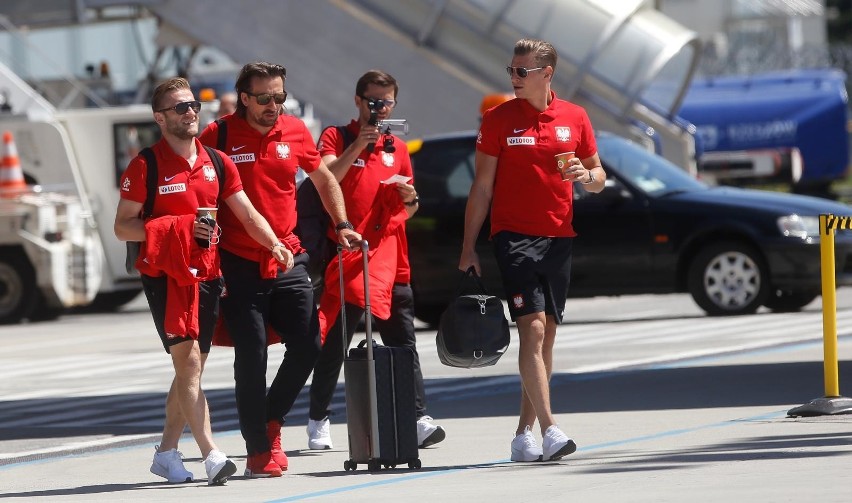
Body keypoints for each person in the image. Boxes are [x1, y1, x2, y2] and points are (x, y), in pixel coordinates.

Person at [114, 77, 293, 485]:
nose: (190, 112)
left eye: (193, 104)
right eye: (179, 107)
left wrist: (274, 245)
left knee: (190, 368)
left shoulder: (216, 161)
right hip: (164, 275)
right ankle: (211, 454)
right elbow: (123, 227)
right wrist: (177, 226)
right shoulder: (147, 164)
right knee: (190, 362)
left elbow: (246, 214)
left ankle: (165, 453)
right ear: (160, 118)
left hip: (208, 273)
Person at [198, 62, 360, 478]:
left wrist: (341, 224)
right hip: (237, 261)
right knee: (251, 356)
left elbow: (324, 179)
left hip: (288, 255)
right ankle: (257, 449)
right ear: (245, 98)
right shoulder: (220, 135)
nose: (274, 106)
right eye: (265, 98)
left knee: (309, 343)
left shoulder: (294, 131)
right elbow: (198, 184)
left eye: (280, 97)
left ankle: (271, 422)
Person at [458, 39, 606, 462]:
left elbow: (599, 176)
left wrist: (586, 175)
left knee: (547, 338)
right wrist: (468, 246)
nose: (514, 78)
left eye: (522, 71)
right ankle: (551, 428)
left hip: (560, 236)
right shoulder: (498, 119)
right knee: (533, 329)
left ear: (547, 73)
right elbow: (481, 187)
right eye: (512, 70)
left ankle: (523, 433)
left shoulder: (574, 117)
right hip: (513, 237)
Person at [308, 69, 445, 451]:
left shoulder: (397, 148)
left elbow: (410, 206)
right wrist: (358, 147)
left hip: (390, 257)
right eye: (373, 100)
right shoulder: (337, 136)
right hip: (350, 254)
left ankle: (417, 416)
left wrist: (409, 198)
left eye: (386, 102)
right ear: (357, 100)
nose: (379, 108)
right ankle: (319, 415)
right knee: (337, 340)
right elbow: (325, 178)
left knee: (402, 340)